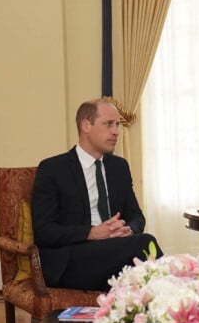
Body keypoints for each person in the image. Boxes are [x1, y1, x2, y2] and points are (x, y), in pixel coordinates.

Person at [31, 98, 163, 291]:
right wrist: (91, 233)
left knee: (143, 269)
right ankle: (181, 303)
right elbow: (44, 231)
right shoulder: (53, 169)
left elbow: (136, 216)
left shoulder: (118, 167)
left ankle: (160, 309)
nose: (116, 131)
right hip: (72, 261)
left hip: (114, 253)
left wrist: (127, 230)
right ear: (86, 125)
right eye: (109, 124)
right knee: (146, 245)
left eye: (117, 125)